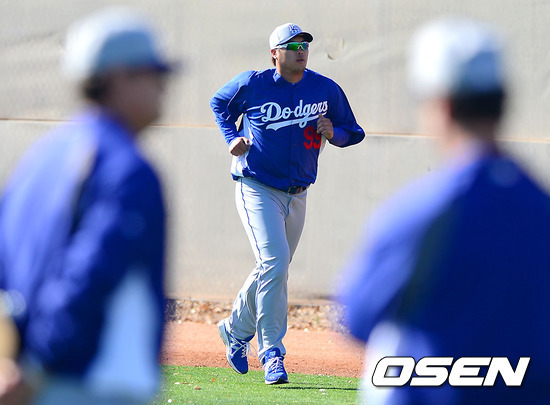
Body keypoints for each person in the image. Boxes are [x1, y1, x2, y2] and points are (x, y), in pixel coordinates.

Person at [339, 17, 550, 405]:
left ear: (442, 106)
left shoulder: (422, 211)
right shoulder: (541, 207)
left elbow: (358, 318)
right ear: (504, 100)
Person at [0, 7, 175, 405]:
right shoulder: (126, 167)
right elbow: (88, 275)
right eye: (154, 73)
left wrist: (10, 362)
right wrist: (39, 366)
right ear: (118, 77)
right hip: (87, 383)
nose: (163, 86)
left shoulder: (39, 158)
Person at [210, 23, 365, 384]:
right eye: (292, 46)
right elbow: (219, 103)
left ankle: (234, 330)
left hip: (298, 193)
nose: (301, 51)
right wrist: (231, 137)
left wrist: (335, 133)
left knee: (273, 268)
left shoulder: (324, 89)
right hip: (257, 185)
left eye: (304, 45)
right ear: (274, 54)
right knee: (275, 263)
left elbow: (354, 132)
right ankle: (272, 354)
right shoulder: (254, 83)